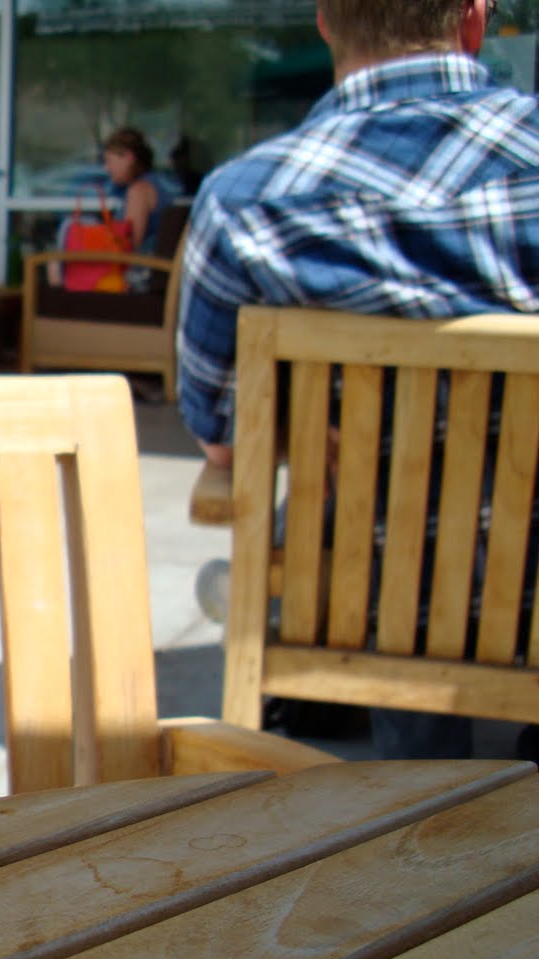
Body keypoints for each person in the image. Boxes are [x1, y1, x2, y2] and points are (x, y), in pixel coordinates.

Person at [175, 0, 539, 757]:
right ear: (474, 21)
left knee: (379, 541)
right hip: (530, 581)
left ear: (326, 23)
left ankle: (419, 785)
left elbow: (221, 440)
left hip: (367, 593)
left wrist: (315, 436)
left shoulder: (244, 201)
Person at [101, 126, 176, 256]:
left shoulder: (139, 191)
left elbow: (130, 245)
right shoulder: (155, 184)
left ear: (129, 158)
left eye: (109, 161)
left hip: (139, 264)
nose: (106, 168)